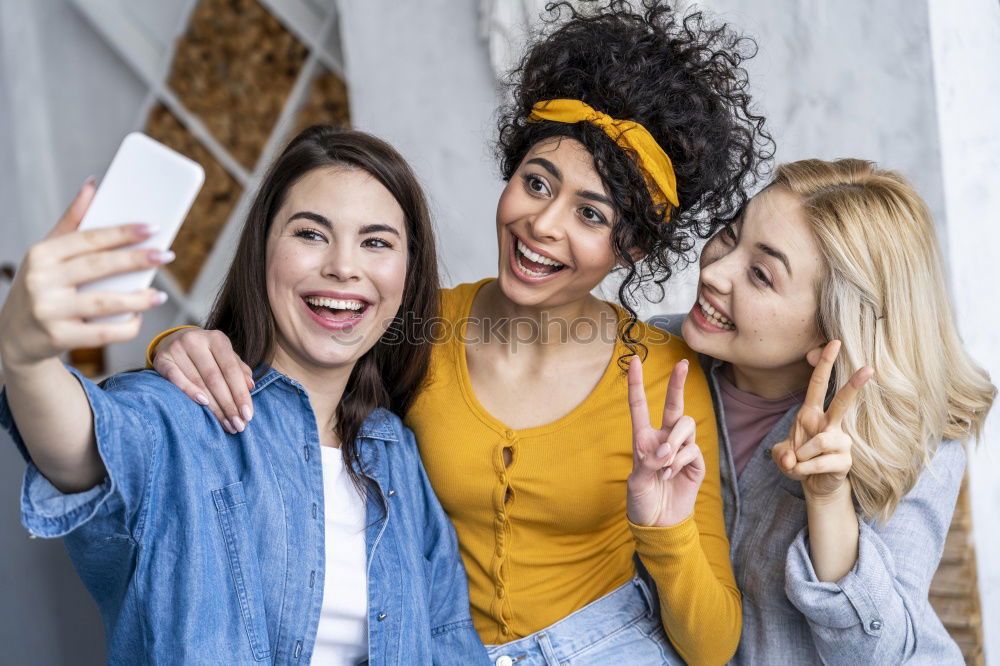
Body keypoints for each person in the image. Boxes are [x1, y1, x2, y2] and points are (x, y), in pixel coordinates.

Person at [143, 2, 774, 663]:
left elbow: (711, 646)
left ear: (634, 246)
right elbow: (288, 373)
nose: (543, 224)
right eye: (536, 182)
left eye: (590, 213)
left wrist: (665, 529)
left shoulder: (662, 374)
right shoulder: (418, 322)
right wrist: (178, 346)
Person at [0, 126, 489, 664]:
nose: (344, 267)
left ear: (407, 272)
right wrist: (26, 356)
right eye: (310, 234)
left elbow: (448, 641)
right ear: (262, 252)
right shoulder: (181, 417)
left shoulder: (394, 451)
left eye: (376, 242)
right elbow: (78, 448)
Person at [643, 158, 995, 663]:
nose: (714, 272)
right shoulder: (657, 357)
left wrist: (828, 501)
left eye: (761, 274)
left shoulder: (919, 443)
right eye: (729, 234)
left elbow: (880, 656)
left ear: (834, 327)